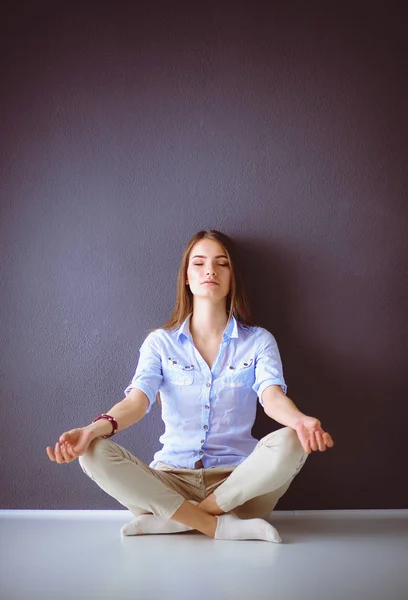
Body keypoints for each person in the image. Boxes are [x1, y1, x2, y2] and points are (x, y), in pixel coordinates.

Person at [46, 229, 334, 543]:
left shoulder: (259, 341)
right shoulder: (160, 343)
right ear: (186, 276)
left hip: (239, 487)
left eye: (221, 263)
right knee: (92, 452)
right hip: (169, 482)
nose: (210, 270)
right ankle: (216, 525)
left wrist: (301, 421)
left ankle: (179, 519)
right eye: (199, 263)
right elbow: (136, 403)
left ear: (232, 275)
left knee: (293, 441)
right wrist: (91, 430)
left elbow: (273, 397)